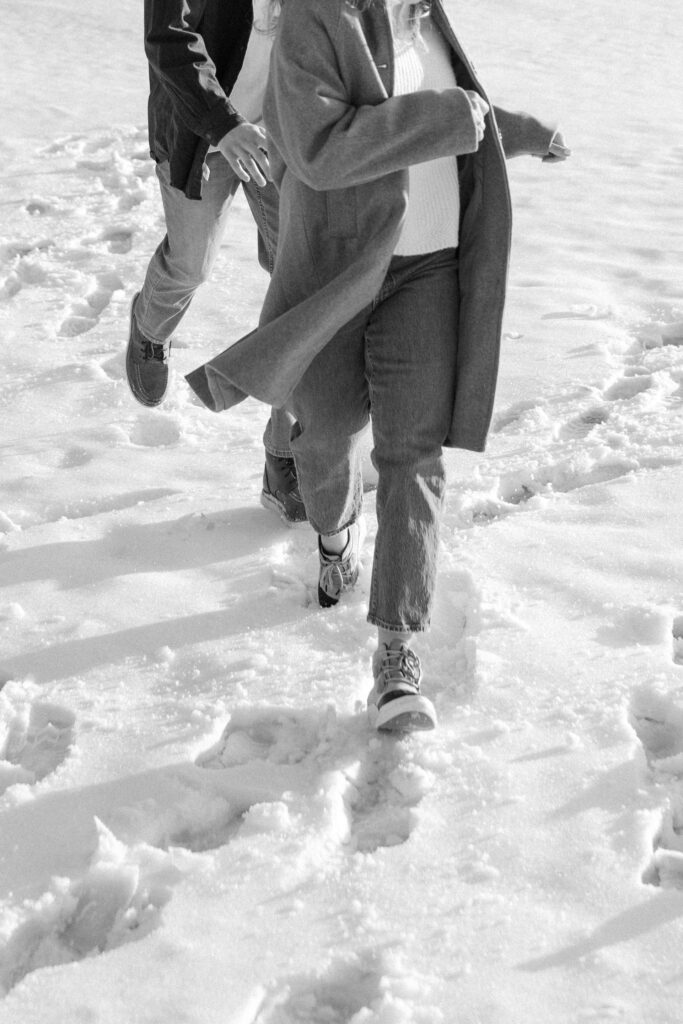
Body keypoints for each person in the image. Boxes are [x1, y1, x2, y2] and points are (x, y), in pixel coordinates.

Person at [186, 0, 571, 732]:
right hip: (339, 269)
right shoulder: (315, 16)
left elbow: (459, 114)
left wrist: (514, 129)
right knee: (326, 431)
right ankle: (334, 537)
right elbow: (319, 150)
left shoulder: (426, 15)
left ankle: (396, 657)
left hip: (432, 269)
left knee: (412, 454)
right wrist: (450, 116)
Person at [126, 0, 305, 524]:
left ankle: (284, 457)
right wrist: (223, 125)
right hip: (201, 131)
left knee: (301, 289)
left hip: (282, 138)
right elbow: (168, 36)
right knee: (190, 265)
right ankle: (149, 326)